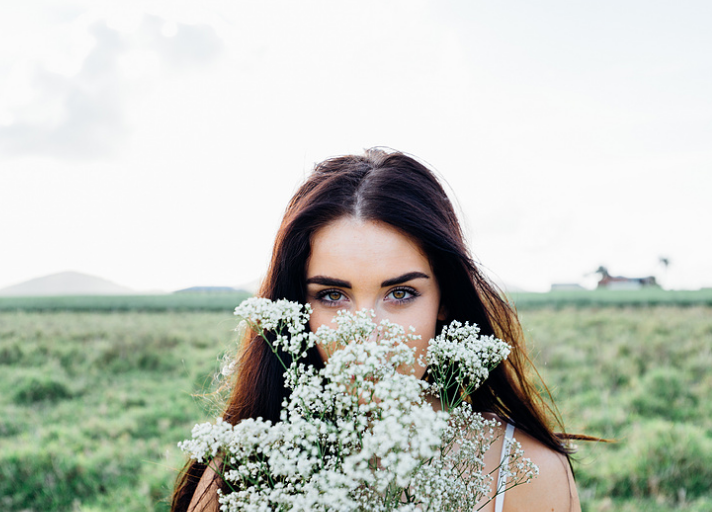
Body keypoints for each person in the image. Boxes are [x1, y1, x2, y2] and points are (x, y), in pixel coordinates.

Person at [171, 148, 581, 512]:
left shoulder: (528, 475)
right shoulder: (245, 470)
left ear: (446, 301)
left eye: (401, 293)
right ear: (296, 309)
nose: (366, 337)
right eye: (332, 295)